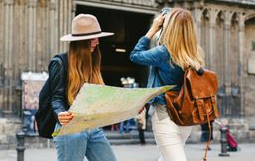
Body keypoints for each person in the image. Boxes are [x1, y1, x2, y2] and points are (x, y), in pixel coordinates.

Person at [130, 8, 205, 161]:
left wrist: (153, 29)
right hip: (186, 117)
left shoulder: (164, 52)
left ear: (169, 28)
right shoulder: (195, 53)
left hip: (165, 116)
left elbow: (135, 55)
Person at [49, 14, 117, 161]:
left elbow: (101, 97)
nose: (97, 42)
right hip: (71, 128)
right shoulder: (60, 62)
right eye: (93, 38)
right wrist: (60, 113)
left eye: (97, 37)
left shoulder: (93, 63)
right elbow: (55, 98)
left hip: (92, 127)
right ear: (81, 41)